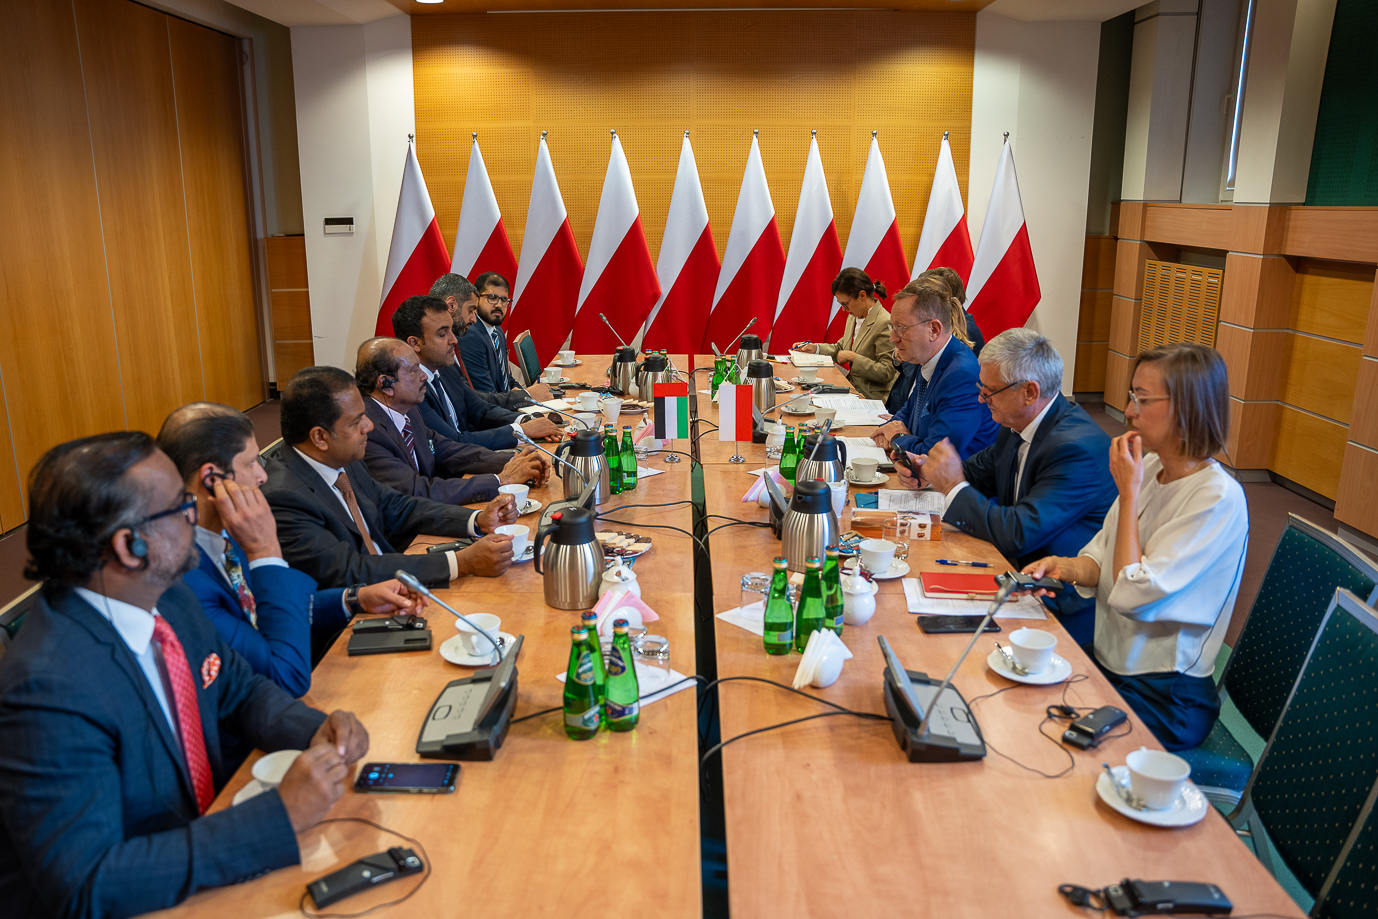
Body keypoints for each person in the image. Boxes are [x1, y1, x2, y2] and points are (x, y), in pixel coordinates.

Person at [0, 432, 370, 918]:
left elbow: (238, 689)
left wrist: (315, 731)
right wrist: (279, 817)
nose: (197, 515)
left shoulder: (167, 596)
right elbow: (90, 883)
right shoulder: (48, 688)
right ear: (130, 546)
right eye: (181, 507)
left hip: (200, 858)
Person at [1023, 343, 1247, 751]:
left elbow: (1131, 594)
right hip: (1112, 663)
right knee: (1025, 695)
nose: (1128, 411)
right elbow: (1101, 557)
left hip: (1166, 695)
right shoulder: (1153, 467)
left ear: (1186, 408)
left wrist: (1128, 494)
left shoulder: (1216, 498)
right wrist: (1065, 567)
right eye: (1132, 396)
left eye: (1142, 399)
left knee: (1047, 741)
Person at [156, 404, 427, 694]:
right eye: (251, 463)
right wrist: (265, 552)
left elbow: (272, 608)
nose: (262, 476)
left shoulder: (227, 529)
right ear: (212, 479)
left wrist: (354, 598)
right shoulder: (181, 580)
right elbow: (284, 676)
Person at [895, 330, 1115, 644]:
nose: (981, 400)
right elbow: (974, 471)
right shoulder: (1018, 422)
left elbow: (1018, 533)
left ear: (1030, 392)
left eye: (990, 392)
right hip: (1014, 577)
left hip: (1060, 605)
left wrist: (952, 485)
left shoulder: (1076, 449)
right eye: (981, 389)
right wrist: (925, 469)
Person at [262, 366, 519, 589]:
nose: (369, 426)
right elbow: (349, 571)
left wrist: (476, 520)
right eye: (356, 421)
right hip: (359, 612)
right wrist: (460, 562)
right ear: (320, 437)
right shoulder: (284, 498)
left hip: (394, 580)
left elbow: (395, 506)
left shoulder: (340, 456)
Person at [355, 337, 550, 505]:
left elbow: (448, 450)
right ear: (385, 384)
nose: (424, 376)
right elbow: (416, 491)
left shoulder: (408, 410)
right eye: (414, 371)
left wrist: (516, 461)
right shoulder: (367, 432)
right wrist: (499, 480)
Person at [392, 293, 562, 447]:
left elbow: (480, 410)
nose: (454, 340)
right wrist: (521, 431)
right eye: (442, 334)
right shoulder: (410, 390)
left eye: (451, 330)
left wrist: (525, 420)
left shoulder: (445, 368)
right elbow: (453, 442)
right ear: (414, 343)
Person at [870, 281, 998, 459]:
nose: (892, 338)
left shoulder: (961, 376)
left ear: (934, 330)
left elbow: (934, 456)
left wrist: (897, 438)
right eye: (893, 327)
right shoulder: (929, 357)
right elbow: (907, 412)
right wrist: (889, 431)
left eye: (900, 329)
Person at [792, 268, 898, 402]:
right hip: (851, 390)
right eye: (841, 304)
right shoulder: (854, 317)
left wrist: (854, 358)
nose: (843, 309)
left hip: (871, 399)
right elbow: (842, 348)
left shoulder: (884, 322)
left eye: (845, 304)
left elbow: (887, 372)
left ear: (862, 295)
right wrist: (815, 348)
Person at [456, 271, 523, 396]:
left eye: (504, 300)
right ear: (476, 299)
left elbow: (507, 379)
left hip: (505, 402)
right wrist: (524, 397)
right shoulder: (470, 335)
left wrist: (527, 395)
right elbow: (486, 393)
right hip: (492, 405)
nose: (499, 305)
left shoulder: (497, 330)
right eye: (492, 298)